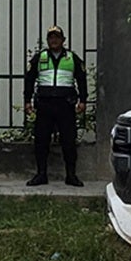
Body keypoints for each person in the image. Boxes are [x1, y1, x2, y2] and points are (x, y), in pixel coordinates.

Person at [23, 25, 88, 186]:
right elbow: (29, 80)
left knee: (69, 141)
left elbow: (81, 79)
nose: (54, 40)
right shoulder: (39, 58)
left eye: (57, 37)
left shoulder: (72, 58)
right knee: (41, 140)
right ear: (47, 40)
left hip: (65, 105)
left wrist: (83, 100)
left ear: (63, 40)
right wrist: (27, 101)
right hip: (44, 105)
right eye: (51, 37)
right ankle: (41, 174)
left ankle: (71, 175)